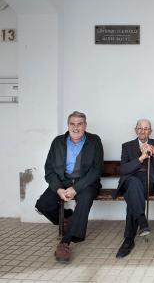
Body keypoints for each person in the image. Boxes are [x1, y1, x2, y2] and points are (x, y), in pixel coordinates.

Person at [35, 111, 103, 262]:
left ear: (85, 125)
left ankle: (65, 243)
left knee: (84, 201)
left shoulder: (94, 141)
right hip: (63, 182)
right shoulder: (58, 141)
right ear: (68, 125)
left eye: (80, 124)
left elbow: (96, 170)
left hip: (86, 182)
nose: (76, 127)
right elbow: (49, 170)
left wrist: (75, 189)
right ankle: (68, 218)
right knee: (43, 205)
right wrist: (58, 189)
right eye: (72, 124)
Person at [114, 119, 154, 259]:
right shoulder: (127, 146)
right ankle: (141, 221)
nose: (143, 131)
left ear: (150, 131)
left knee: (133, 192)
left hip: (149, 182)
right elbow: (123, 169)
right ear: (135, 129)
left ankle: (129, 239)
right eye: (140, 128)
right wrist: (141, 158)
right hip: (130, 180)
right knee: (133, 184)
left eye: (146, 128)